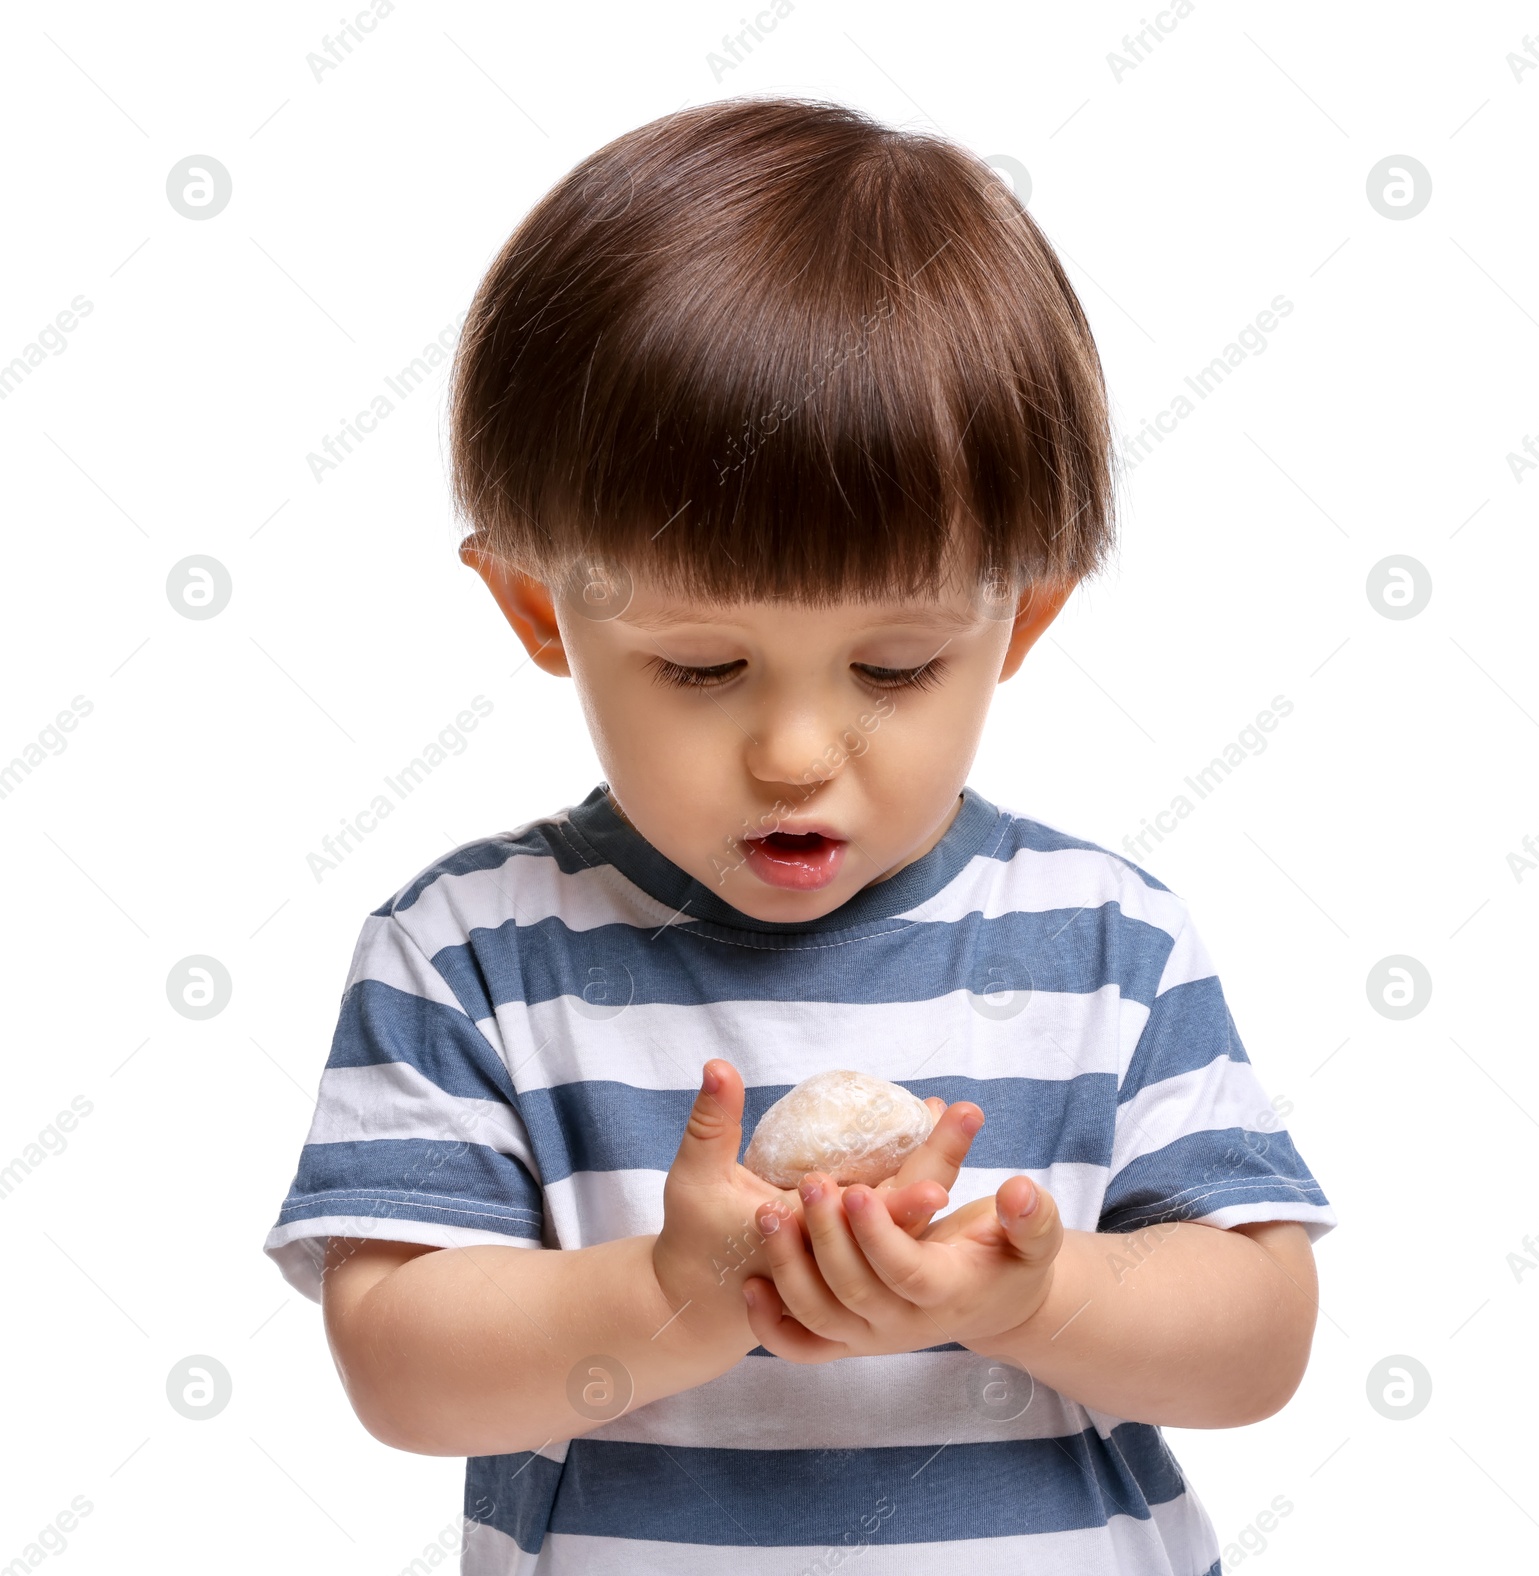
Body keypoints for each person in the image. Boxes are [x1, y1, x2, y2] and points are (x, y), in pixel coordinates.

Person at [263, 94, 1336, 1575]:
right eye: (701, 669)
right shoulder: (472, 953)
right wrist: (676, 1298)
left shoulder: (1106, 941)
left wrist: (1028, 1297)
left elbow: (1258, 1338)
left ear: (1016, 622)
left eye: (894, 670)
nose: (792, 753)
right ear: (535, 610)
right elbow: (401, 1362)